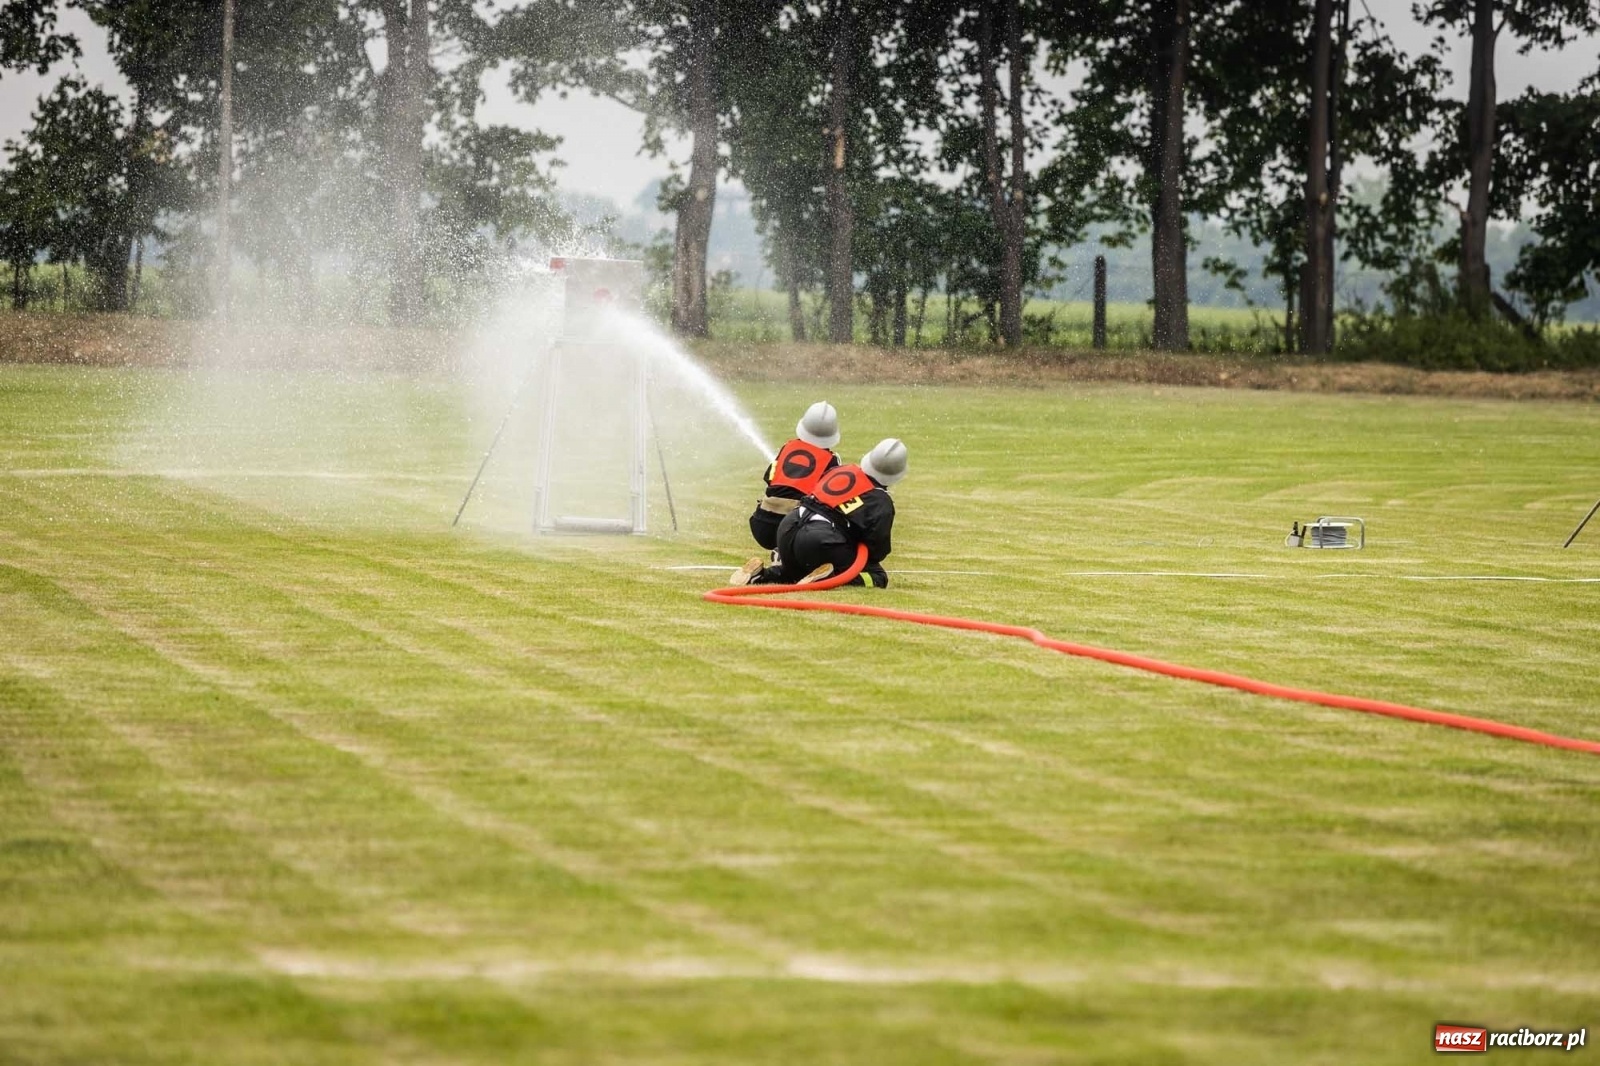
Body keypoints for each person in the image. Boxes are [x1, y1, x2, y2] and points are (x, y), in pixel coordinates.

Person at [729, 438, 906, 588]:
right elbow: (877, 548)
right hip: (818, 540)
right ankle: (828, 577)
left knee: (794, 573)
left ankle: (763, 575)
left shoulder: (840, 470)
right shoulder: (880, 499)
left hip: (786, 530)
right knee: (877, 576)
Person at [748, 401, 841, 551]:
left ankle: (781, 559)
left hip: (761, 523)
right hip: (795, 530)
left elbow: (769, 478)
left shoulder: (787, 448)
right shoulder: (831, 460)